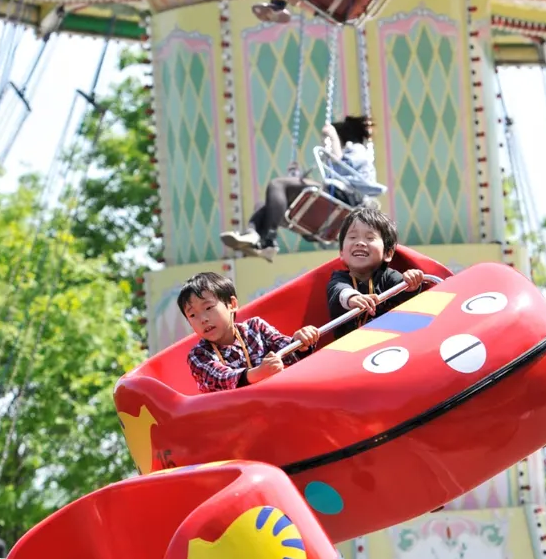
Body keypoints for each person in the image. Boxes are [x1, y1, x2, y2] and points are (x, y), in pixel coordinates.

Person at [220, 116, 379, 261]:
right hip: (336, 194)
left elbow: (340, 168)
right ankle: (253, 235)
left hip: (346, 198)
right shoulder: (348, 152)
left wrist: (332, 137)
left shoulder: (357, 149)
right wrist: (296, 177)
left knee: (277, 184)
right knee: (263, 205)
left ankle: (268, 239)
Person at [180, 272, 319, 393]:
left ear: (232, 304)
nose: (203, 319)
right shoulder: (199, 355)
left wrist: (301, 342)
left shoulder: (256, 327)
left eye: (209, 307)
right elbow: (221, 379)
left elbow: (288, 352)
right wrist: (258, 373)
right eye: (192, 315)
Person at [325, 207, 425, 336]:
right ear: (342, 253)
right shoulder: (338, 279)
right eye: (353, 237)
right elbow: (339, 291)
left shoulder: (389, 276)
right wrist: (352, 298)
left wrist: (412, 281)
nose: (360, 243)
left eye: (370, 238)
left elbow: (408, 294)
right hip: (349, 352)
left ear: (388, 253)